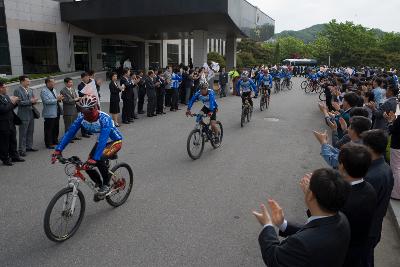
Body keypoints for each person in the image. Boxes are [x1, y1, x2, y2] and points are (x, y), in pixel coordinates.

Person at [252, 168, 351, 267]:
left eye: (309, 186)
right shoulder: (342, 219)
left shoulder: (301, 243)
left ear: (311, 195)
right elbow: (314, 232)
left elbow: (274, 258)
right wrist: (282, 224)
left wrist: (267, 225)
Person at [52, 95, 123, 197]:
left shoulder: (104, 118)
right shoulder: (81, 118)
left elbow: (103, 139)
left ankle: (106, 185)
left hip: (114, 141)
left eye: (88, 110)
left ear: (95, 107)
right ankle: (99, 184)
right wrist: (58, 150)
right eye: (83, 110)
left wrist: (96, 158)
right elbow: (69, 134)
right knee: (87, 164)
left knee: (98, 159)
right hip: (101, 141)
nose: (85, 113)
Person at [338, 143, 377, 267]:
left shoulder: (343, 199)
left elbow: (324, 222)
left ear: (342, 167)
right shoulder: (370, 189)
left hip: (343, 253)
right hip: (359, 247)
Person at [361, 130, 394, 267]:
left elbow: (362, 207)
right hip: (375, 226)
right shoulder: (385, 168)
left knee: (364, 260)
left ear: (370, 148)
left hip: (366, 230)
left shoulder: (372, 176)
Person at [0, 81, 25, 166]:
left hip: (11, 122)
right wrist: (12, 102)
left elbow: (10, 108)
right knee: (4, 143)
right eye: (5, 87)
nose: (7, 88)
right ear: (0, 88)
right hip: (3, 124)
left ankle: (14, 156)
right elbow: (3, 109)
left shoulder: (6, 96)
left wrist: (16, 102)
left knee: (13, 140)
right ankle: (5, 159)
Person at [14, 75, 38, 156]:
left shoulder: (30, 90)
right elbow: (19, 103)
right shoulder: (17, 90)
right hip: (23, 114)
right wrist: (30, 101)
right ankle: (21, 149)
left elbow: (32, 101)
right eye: (27, 81)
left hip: (31, 113)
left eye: (29, 81)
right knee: (23, 133)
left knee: (30, 131)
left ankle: (29, 146)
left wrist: (34, 101)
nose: (29, 82)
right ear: (22, 81)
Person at [40, 77, 63, 149]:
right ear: (48, 83)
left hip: (56, 111)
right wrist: (57, 99)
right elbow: (46, 101)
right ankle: (48, 143)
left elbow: (55, 99)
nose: (54, 83)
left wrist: (59, 99)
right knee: (49, 129)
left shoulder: (54, 90)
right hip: (49, 113)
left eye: (54, 82)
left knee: (56, 127)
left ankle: (55, 140)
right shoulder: (44, 91)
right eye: (52, 82)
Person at [77, 72, 92, 138]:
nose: (87, 78)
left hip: (89, 103)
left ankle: (88, 130)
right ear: (82, 78)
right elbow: (82, 93)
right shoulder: (80, 85)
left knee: (89, 117)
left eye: (88, 77)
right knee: (84, 118)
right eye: (86, 77)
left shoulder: (89, 84)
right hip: (84, 103)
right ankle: (84, 132)